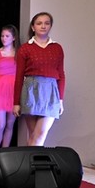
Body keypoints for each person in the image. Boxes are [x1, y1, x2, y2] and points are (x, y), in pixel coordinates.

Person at [13, 12, 65, 146]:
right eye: (39, 23)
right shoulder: (25, 49)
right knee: (33, 136)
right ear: (33, 27)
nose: (43, 26)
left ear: (50, 26)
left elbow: (61, 75)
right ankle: (31, 159)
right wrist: (16, 102)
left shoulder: (57, 48)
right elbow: (19, 76)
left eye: (47, 23)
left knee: (40, 134)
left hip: (51, 92)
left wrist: (60, 100)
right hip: (31, 90)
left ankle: (31, 159)